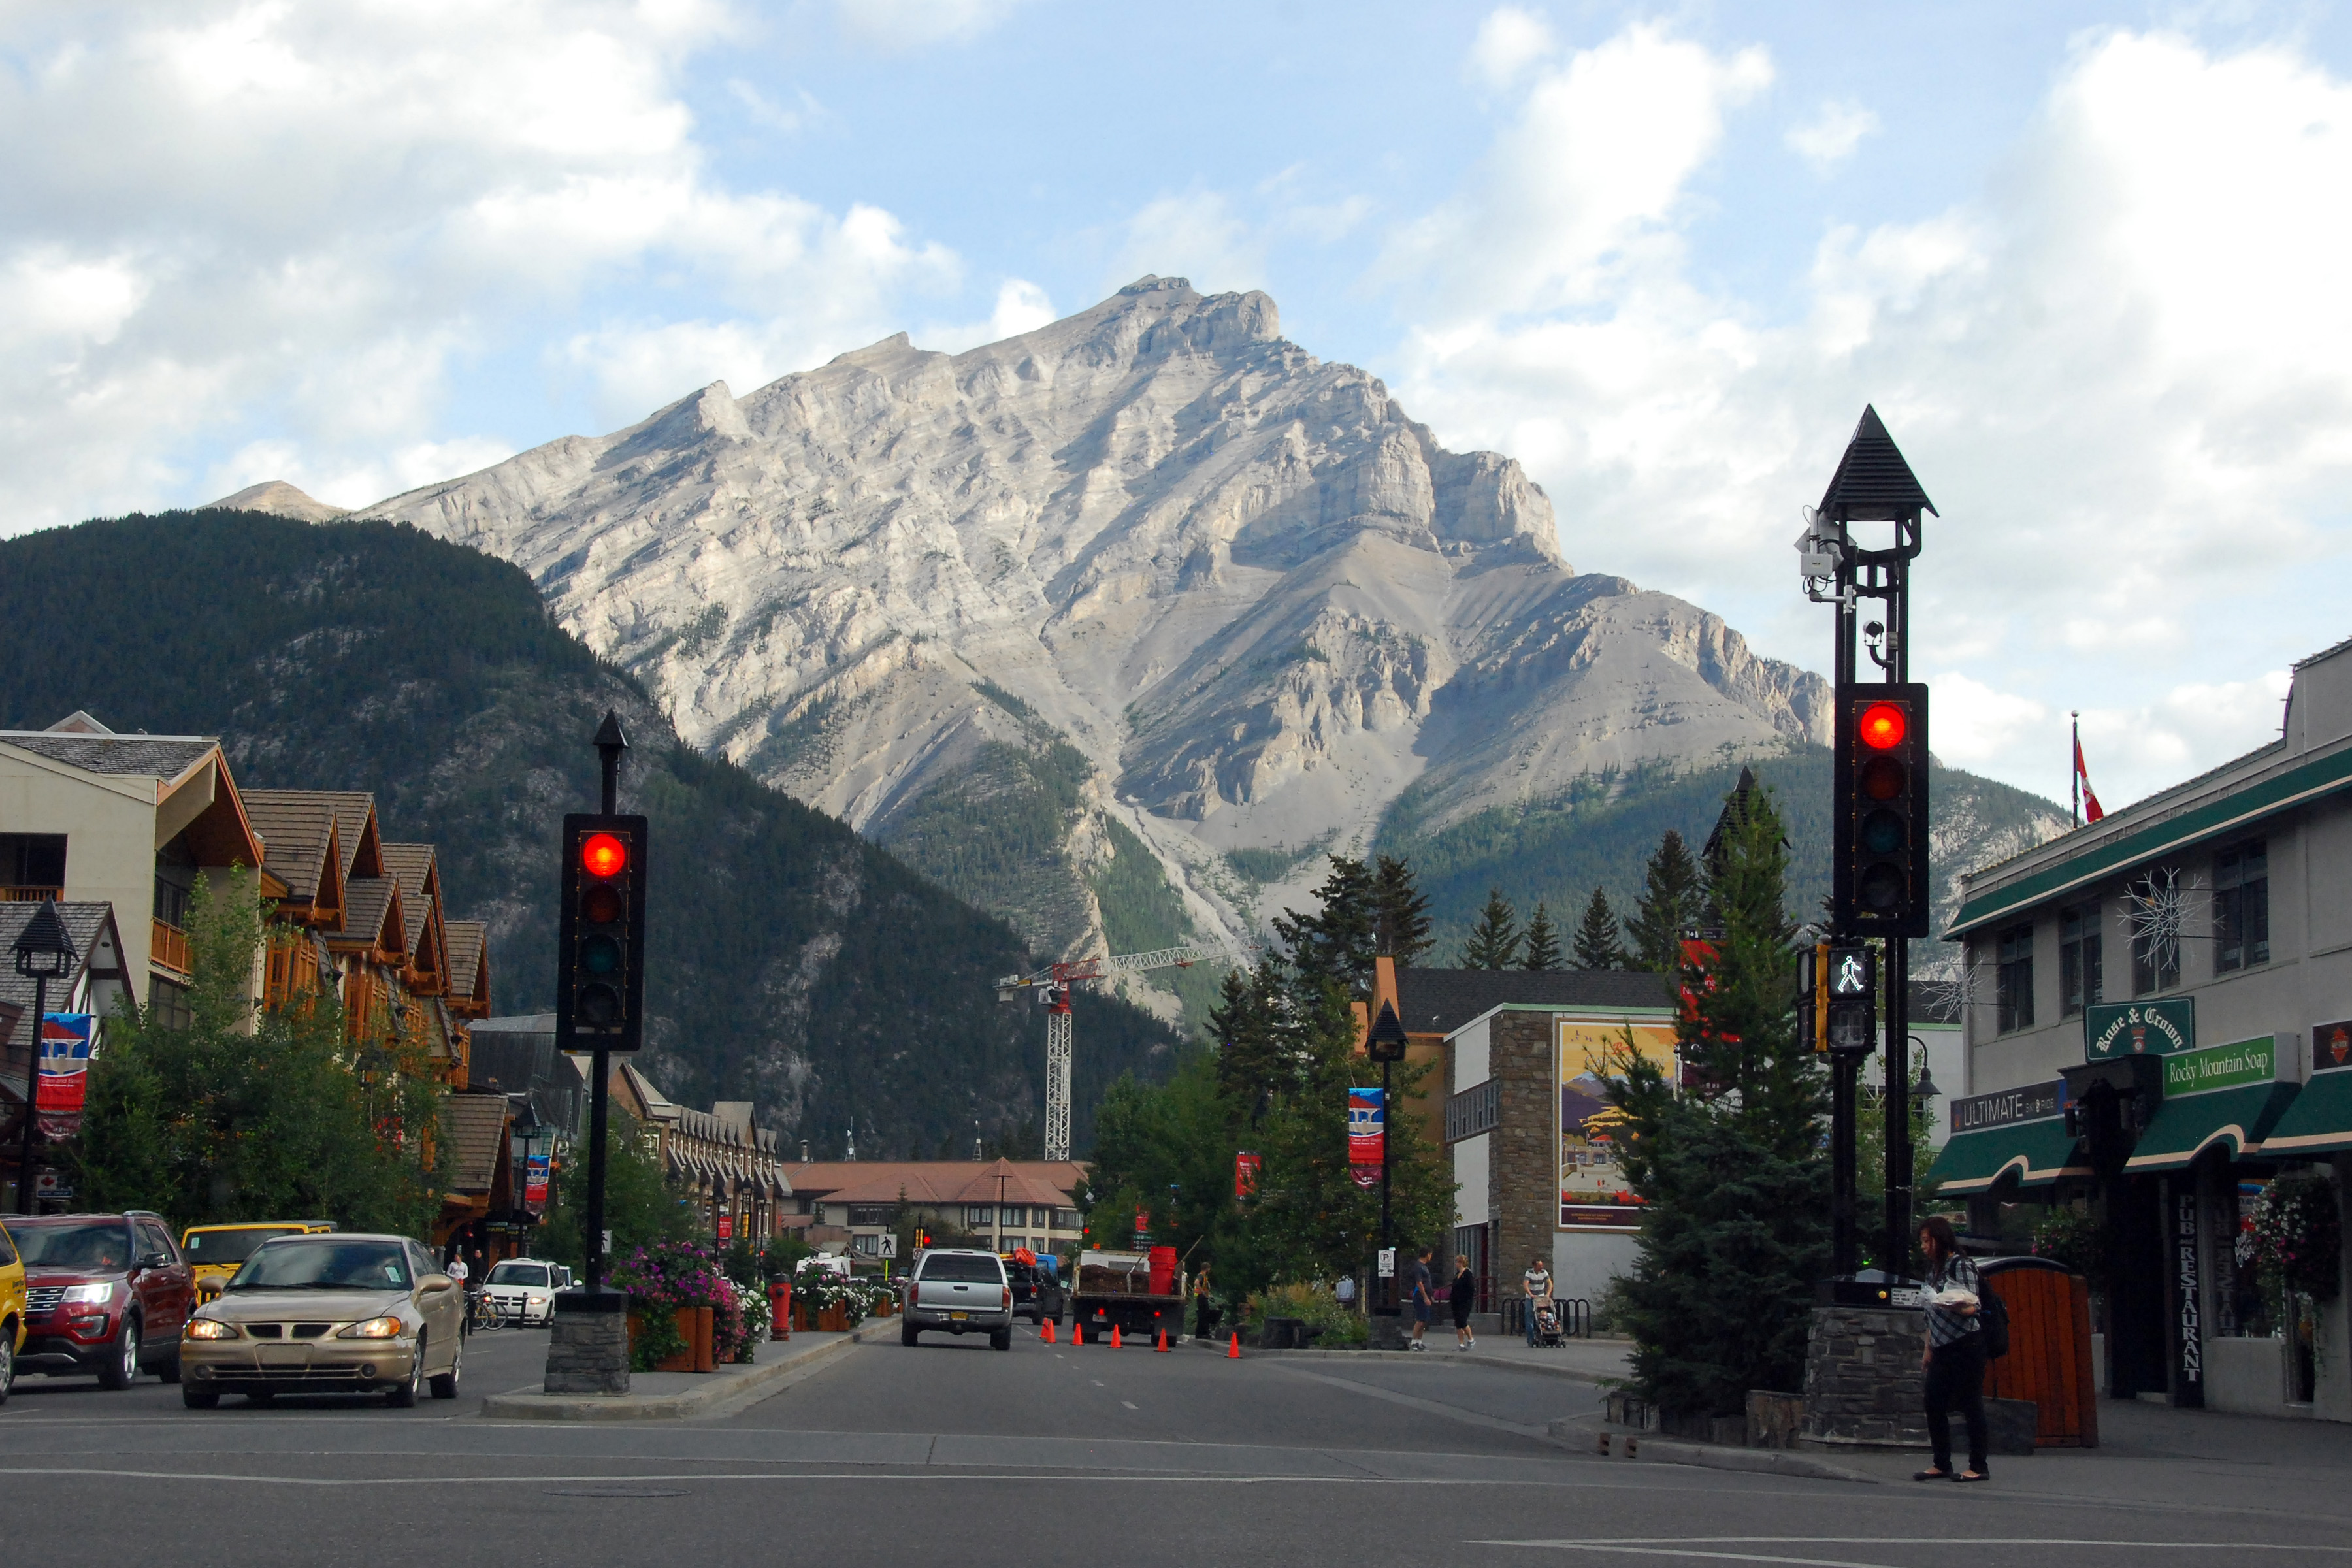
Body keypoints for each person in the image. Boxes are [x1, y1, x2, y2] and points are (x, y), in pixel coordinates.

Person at [1917, 1215, 1989, 1484]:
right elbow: (1929, 1313)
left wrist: (1953, 1305)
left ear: (1939, 1238)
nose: (1923, 1247)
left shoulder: (1960, 1265)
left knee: (1970, 1403)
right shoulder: (1933, 1271)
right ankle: (1941, 1462)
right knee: (1933, 1401)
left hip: (1966, 1344)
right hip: (1941, 1346)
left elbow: (1973, 1305)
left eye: (1927, 1241)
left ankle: (1978, 1465)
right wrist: (1928, 1347)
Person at [1408, 1247, 1435, 1350]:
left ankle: (1419, 1341)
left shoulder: (1424, 1266)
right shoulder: (1418, 1267)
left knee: (1424, 1320)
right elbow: (1419, 1283)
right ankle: (1414, 1342)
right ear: (1427, 1254)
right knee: (1420, 1320)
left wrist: (1431, 1296)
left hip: (1426, 1296)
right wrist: (1425, 1297)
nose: (1431, 1257)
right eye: (1430, 1255)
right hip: (1420, 1297)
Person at [1522, 1256, 1554, 1345]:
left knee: (1543, 1317)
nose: (1541, 1267)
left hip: (1541, 1298)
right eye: (1539, 1265)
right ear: (1535, 1266)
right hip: (1531, 1298)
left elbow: (1549, 1283)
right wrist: (1531, 1294)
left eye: (1541, 1265)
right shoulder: (1529, 1273)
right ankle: (1531, 1339)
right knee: (1529, 1317)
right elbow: (1525, 1284)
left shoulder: (1544, 1272)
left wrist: (1547, 1294)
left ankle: (1544, 1335)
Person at [1450, 1254, 1478, 1350]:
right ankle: (1461, 1344)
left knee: (1462, 1321)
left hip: (1465, 1302)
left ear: (1461, 1263)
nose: (1456, 1263)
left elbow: (1471, 1289)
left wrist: (1466, 1298)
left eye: (1457, 1261)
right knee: (1458, 1323)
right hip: (1456, 1302)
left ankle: (1471, 1339)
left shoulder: (1468, 1274)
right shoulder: (1457, 1275)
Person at [1192, 1264, 1217, 1341]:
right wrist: (1202, 1291)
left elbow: (1205, 1287)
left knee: (1203, 1315)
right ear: (1207, 1269)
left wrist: (1209, 1296)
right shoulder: (1201, 1276)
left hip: (1203, 1297)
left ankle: (1200, 1333)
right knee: (1204, 1315)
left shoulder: (1204, 1277)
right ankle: (1203, 1333)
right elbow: (1196, 1283)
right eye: (1209, 1268)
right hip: (1201, 1297)